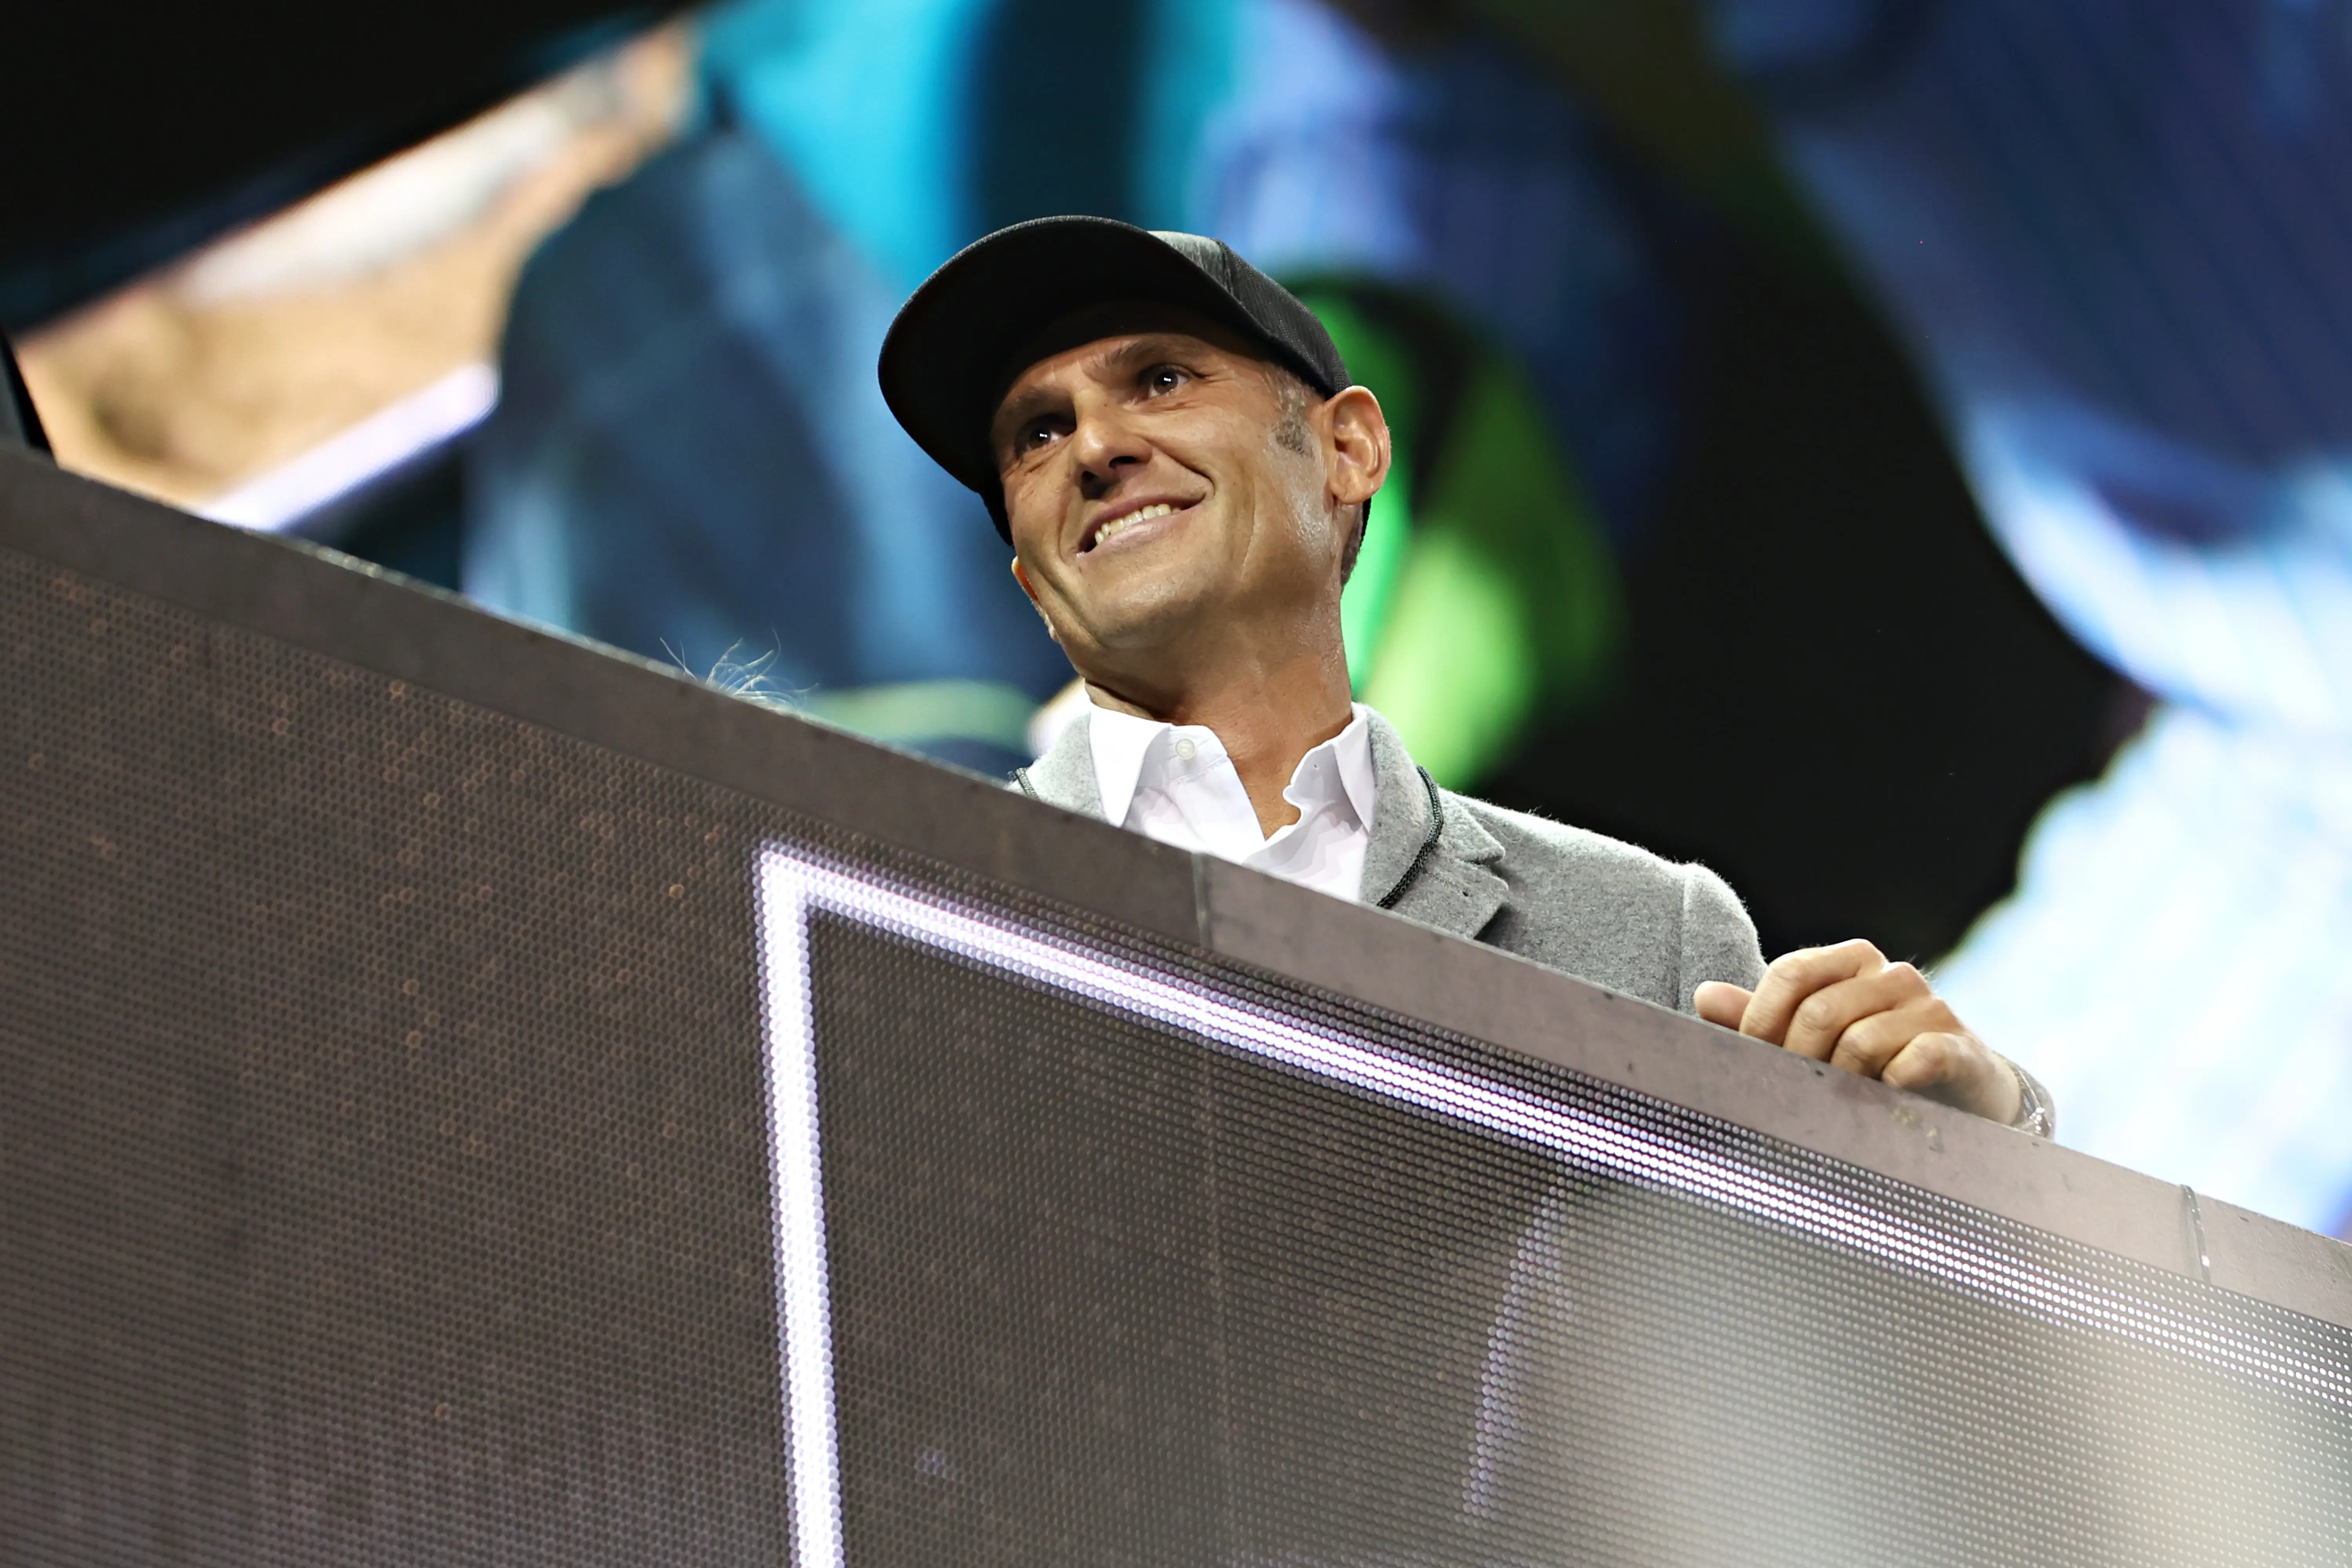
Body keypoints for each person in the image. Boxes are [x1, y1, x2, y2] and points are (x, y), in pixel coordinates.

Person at [878, 215, 2051, 1134]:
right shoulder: (896, 921)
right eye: (1034, 433)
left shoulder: (1652, 937)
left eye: (1164, 379)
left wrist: (1974, 1141)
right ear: (1033, 581)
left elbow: (1840, 1342)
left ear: (1350, 449)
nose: (1093, 446)